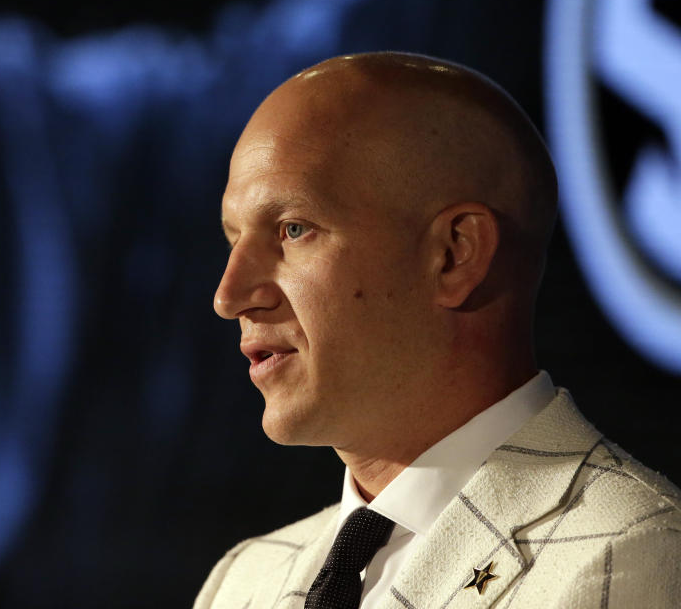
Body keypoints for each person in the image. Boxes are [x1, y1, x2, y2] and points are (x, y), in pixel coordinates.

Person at [195, 52, 681, 608]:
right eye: (235, 241)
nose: (229, 297)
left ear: (455, 254)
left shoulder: (629, 551)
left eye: (293, 229)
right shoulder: (243, 582)